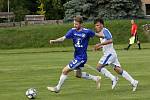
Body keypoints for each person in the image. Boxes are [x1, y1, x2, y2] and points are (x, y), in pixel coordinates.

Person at [47, 16, 103, 93]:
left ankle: (57, 88)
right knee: (78, 75)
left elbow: (98, 35)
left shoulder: (87, 32)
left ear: (81, 24)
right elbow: (63, 38)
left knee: (65, 71)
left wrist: (105, 38)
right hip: (77, 56)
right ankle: (96, 78)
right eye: (74, 24)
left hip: (82, 57)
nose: (74, 25)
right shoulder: (72, 31)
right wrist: (54, 41)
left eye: (76, 24)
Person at [93, 18, 138, 91]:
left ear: (102, 25)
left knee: (98, 67)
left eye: (97, 25)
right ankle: (134, 82)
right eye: (95, 25)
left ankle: (113, 78)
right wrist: (100, 47)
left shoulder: (104, 30)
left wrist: (99, 44)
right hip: (111, 53)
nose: (96, 27)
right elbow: (107, 43)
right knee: (118, 70)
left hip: (109, 54)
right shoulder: (102, 32)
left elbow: (110, 40)